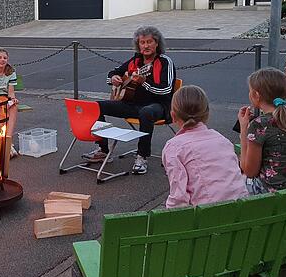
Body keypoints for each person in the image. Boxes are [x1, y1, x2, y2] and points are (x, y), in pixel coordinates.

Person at [83, 26, 175, 175]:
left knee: (146, 112)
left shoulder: (165, 62)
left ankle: (142, 156)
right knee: (96, 107)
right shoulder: (135, 60)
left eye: (149, 42)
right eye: (142, 42)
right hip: (132, 105)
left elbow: (166, 90)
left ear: (157, 43)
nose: (146, 46)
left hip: (158, 106)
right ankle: (103, 150)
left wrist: (144, 81)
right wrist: (113, 79)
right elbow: (113, 72)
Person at [162, 85, 247, 208]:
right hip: (240, 210)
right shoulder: (221, 139)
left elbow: (179, 198)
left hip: (209, 216)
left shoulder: (174, 147)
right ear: (207, 113)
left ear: (173, 116)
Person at [238, 68, 286, 194]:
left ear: (256, 95)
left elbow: (249, 171)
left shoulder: (259, 125)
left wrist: (243, 128)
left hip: (272, 195)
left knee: (228, 180)